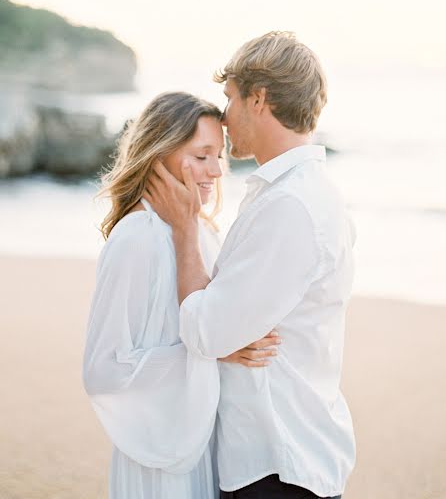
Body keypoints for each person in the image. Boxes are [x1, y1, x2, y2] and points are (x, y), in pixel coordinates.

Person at [145, 32, 356, 499]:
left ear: (258, 98)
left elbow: (207, 332)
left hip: (277, 467)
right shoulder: (296, 194)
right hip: (281, 458)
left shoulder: (291, 206)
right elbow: (223, 330)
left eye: (230, 97)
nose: (224, 116)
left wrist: (184, 231)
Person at [83, 92, 281, 499]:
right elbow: (102, 370)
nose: (216, 171)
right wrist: (208, 352)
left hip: (206, 442)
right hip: (160, 456)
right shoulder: (135, 238)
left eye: (219, 157)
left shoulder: (201, 232)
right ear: (159, 155)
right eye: (202, 155)